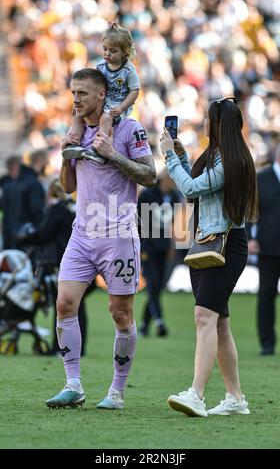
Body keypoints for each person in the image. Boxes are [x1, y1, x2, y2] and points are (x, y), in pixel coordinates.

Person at [45, 67, 156, 409]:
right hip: (82, 233)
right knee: (64, 303)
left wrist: (113, 155)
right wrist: (66, 155)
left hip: (119, 235)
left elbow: (150, 175)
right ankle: (73, 384)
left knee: (120, 312)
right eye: (73, 92)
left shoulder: (129, 129)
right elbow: (68, 186)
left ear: (101, 95)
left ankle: (117, 392)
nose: (75, 99)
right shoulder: (76, 129)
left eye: (82, 93)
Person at [160, 97, 258, 417]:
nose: (202, 121)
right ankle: (235, 399)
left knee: (204, 316)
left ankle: (196, 394)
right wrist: (180, 155)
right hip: (211, 243)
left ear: (217, 124)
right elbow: (198, 184)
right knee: (219, 324)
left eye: (207, 117)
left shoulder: (228, 160)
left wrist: (167, 158)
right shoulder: (220, 155)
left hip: (224, 245)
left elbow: (189, 188)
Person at [19, 178, 89, 356]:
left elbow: (45, 234)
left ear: (50, 192)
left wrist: (25, 238)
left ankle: (61, 346)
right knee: (78, 305)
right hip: (83, 259)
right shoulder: (75, 208)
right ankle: (78, 347)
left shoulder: (56, 209)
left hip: (63, 260)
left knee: (64, 305)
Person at [62, 20, 140, 163]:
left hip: (117, 103)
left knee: (105, 117)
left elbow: (135, 91)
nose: (107, 53)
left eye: (113, 51)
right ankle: (74, 142)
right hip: (103, 99)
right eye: (105, 49)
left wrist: (122, 107)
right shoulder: (101, 66)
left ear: (125, 52)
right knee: (77, 111)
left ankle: (99, 148)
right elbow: (94, 84)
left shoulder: (128, 71)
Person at [138, 169, 180, 337]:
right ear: (165, 179)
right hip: (147, 247)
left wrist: (171, 246)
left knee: (157, 287)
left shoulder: (175, 197)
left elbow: (172, 224)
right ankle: (159, 321)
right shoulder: (148, 195)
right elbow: (138, 220)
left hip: (163, 248)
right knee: (152, 283)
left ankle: (144, 326)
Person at [247, 141, 280, 356]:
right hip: (268, 247)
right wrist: (250, 236)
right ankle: (267, 342)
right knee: (266, 295)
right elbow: (250, 209)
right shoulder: (262, 178)